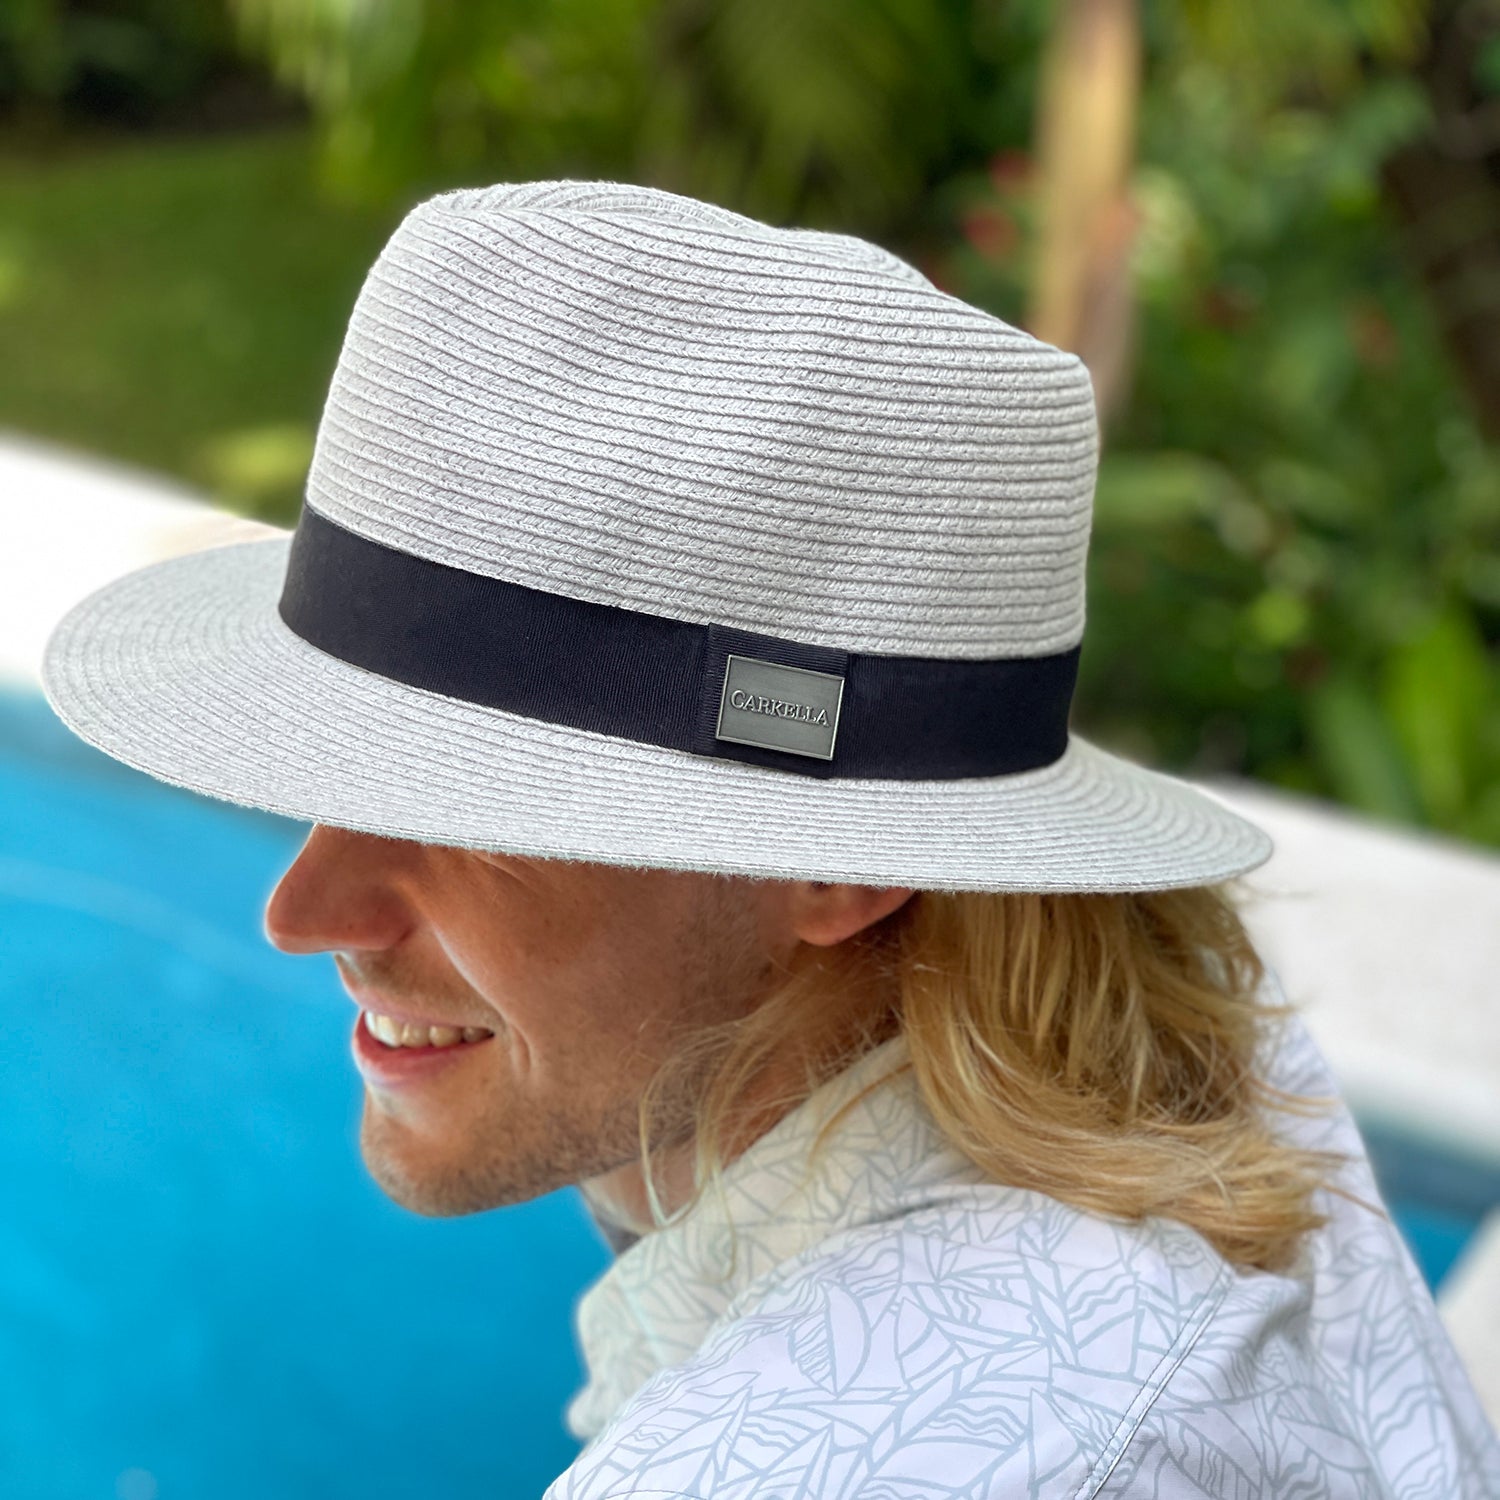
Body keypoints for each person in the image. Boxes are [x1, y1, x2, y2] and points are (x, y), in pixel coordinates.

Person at [41, 180, 1499, 1498]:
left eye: (467, 817)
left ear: (843, 865)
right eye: (338, 767)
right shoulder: (1179, 1045)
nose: (305, 911)